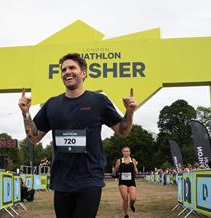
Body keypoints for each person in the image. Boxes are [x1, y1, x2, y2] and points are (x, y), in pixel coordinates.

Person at [18, 53, 137, 218]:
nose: (67, 72)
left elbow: (122, 132)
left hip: (89, 178)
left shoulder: (99, 101)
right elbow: (33, 137)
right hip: (62, 179)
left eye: (72, 68)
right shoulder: (52, 105)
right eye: (64, 69)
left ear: (83, 73)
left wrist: (129, 112)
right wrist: (25, 113)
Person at [115, 146, 138, 218]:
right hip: (122, 181)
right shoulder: (119, 160)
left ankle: (131, 204)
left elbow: (135, 170)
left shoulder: (133, 160)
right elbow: (116, 171)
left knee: (133, 198)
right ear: (122, 152)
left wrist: (136, 170)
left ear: (130, 152)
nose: (126, 152)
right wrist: (117, 168)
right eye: (124, 151)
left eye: (127, 151)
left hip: (131, 181)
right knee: (125, 198)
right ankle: (126, 214)